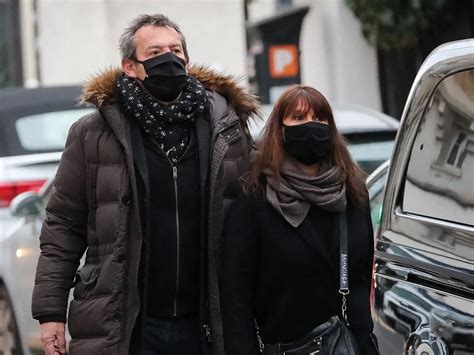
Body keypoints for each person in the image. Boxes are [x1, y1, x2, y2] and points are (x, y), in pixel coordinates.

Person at [31, 14, 258, 355]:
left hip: (206, 326)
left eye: (175, 50)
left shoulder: (226, 130)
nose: (169, 59)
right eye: (155, 53)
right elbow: (63, 225)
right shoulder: (93, 134)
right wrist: (50, 313)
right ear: (130, 67)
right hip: (126, 325)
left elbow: (260, 211)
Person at [220, 85, 379, 354]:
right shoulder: (255, 200)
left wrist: (366, 344)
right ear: (280, 131)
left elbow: (359, 280)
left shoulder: (352, 194)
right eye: (298, 118)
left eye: (319, 119)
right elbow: (236, 298)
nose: (311, 126)